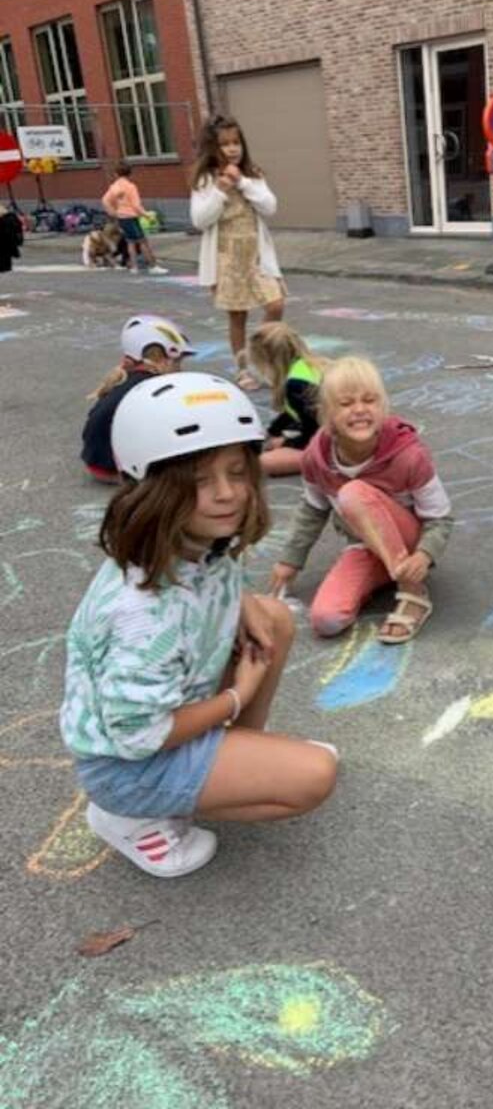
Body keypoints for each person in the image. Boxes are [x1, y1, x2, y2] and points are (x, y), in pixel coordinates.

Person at [60, 371, 338, 878]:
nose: (227, 494)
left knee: (273, 618)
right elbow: (140, 735)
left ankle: (240, 759)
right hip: (127, 767)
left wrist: (242, 598)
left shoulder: (189, 542)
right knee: (314, 777)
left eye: (237, 473)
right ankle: (127, 817)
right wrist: (236, 697)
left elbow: (216, 578)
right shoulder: (140, 617)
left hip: (169, 715)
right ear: (155, 488)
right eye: (199, 481)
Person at [269, 356, 452, 644]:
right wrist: (291, 560)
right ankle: (389, 572)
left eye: (369, 400)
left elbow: (440, 518)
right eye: (345, 403)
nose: (359, 410)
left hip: (410, 542)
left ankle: (412, 591)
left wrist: (423, 555)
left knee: (352, 493)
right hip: (365, 544)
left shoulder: (409, 456)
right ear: (326, 415)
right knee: (326, 620)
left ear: (383, 407)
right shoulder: (317, 457)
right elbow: (313, 509)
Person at [189, 114, 285, 392]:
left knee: (276, 305)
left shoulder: (252, 174)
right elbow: (200, 220)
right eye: (225, 144)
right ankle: (243, 369)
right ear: (212, 147)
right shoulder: (206, 180)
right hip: (227, 257)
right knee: (238, 316)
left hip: (256, 254)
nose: (232, 149)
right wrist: (220, 190)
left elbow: (269, 207)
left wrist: (242, 182)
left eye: (236, 142)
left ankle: (261, 357)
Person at [81, 315, 196, 483]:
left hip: (97, 464)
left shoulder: (127, 377)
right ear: (161, 359)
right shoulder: (151, 387)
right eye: (177, 362)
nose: (180, 369)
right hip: (116, 468)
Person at [248, 321, 328, 477]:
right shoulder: (308, 366)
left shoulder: (295, 384)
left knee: (264, 463)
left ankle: (329, 464)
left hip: (336, 441)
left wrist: (286, 443)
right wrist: (271, 431)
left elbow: (313, 431)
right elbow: (293, 412)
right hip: (343, 432)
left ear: (268, 360)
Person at [101, 161, 167, 274]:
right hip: (131, 216)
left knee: (130, 242)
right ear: (130, 173)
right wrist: (146, 215)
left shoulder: (114, 187)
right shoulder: (130, 187)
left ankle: (134, 267)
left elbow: (105, 200)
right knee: (143, 242)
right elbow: (136, 205)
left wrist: (114, 213)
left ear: (116, 174)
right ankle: (153, 266)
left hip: (122, 217)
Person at [0, 201, 23, 274]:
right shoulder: (11, 217)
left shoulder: (7, 218)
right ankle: (6, 267)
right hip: (9, 239)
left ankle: (5, 267)